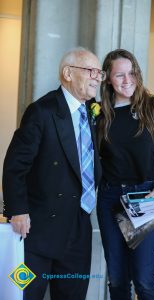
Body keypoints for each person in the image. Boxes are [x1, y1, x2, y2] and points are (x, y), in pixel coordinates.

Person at [2, 47, 104, 300]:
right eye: (91, 70)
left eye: (99, 72)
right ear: (68, 73)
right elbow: (15, 164)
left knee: (73, 295)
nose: (97, 77)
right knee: (27, 293)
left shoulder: (94, 114)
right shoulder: (42, 111)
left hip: (79, 228)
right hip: (37, 230)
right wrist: (18, 210)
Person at [96, 49, 154, 300]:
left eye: (132, 73)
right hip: (109, 198)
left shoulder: (153, 106)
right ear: (107, 78)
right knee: (117, 279)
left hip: (144, 196)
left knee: (144, 279)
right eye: (119, 75)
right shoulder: (99, 114)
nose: (127, 80)